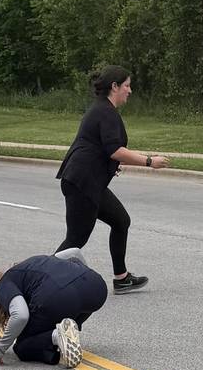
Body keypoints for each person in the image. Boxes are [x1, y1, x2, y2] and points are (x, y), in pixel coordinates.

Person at [55, 65, 170, 295]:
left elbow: (103, 149)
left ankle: (122, 278)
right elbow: (114, 149)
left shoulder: (104, 110)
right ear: (114, 87)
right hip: (82, 182)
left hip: (90, 182)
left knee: (120, 221)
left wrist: (112, 164)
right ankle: (40, 279)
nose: (130, 91)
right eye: (126, 86)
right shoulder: (105, 112)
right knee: (76, 240)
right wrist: (149, 161)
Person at [0, 248, 107, 369]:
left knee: (22, 346)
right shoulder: (33, 264)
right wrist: (81, 280)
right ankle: (66, 331)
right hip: (97, 288)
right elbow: (74, 252)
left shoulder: (4, 284)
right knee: (45, 318)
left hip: (59, 297)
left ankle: (57, 335)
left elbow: (20, 315)